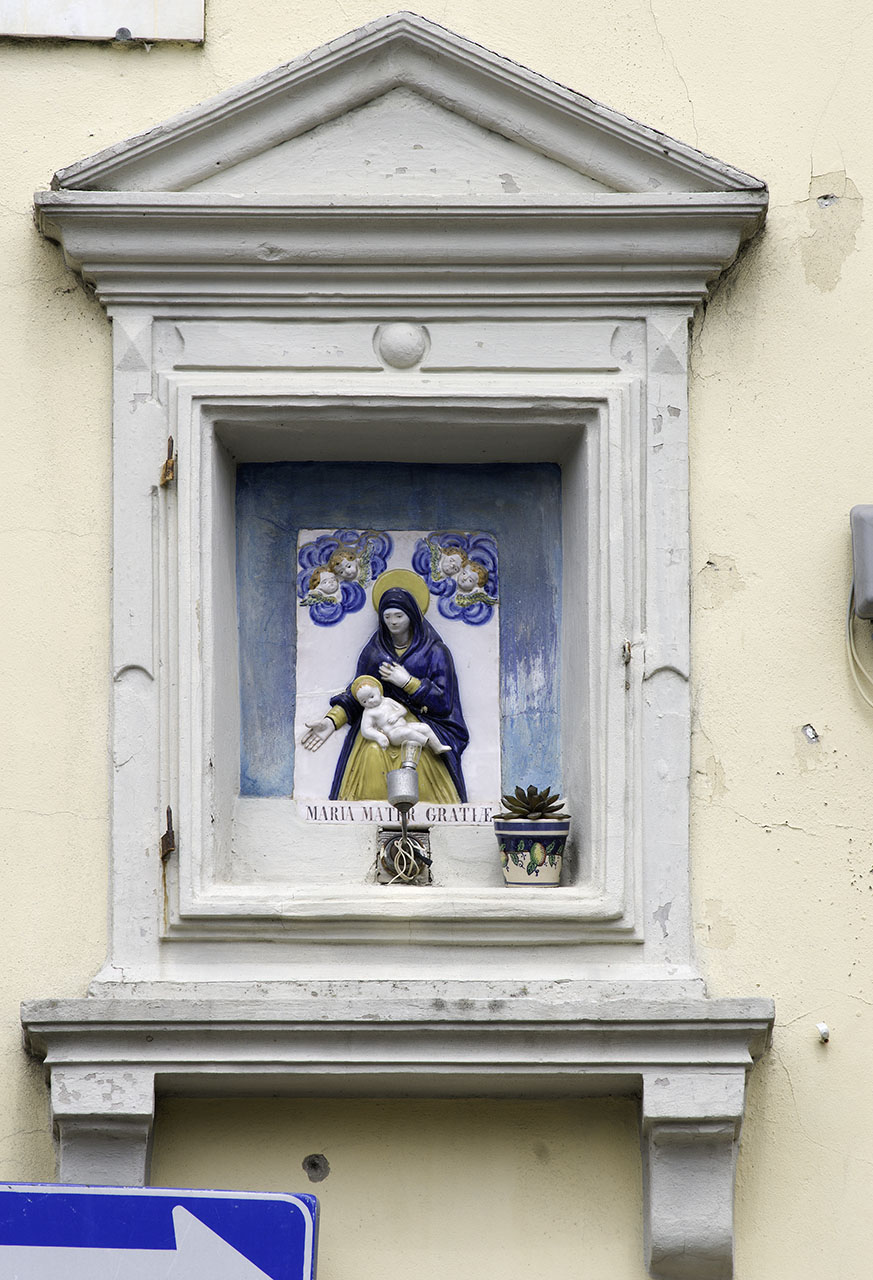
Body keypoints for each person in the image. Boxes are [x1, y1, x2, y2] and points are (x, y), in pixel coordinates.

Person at [301, 572, 468, 802]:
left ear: (412, 615)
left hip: (420, 722)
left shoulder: (436, 651)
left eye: (399, 615)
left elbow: (444, 702)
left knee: (419, 757)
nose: (393, 621)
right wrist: (332, 721)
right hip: (380, 725)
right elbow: (358, 691)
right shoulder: (375, 651)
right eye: (387, 616)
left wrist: (408, 683)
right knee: (372, 753)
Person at [352, 675, 451, 755]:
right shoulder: (369, 713)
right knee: (407, 732)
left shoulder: (387, 701)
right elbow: (366, 730)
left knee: (424, 727)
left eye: (371, 696)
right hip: (393, 734)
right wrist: (379, 737)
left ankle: (437, 747)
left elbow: (403, 710)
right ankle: (427, 743)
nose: (370, 702)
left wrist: (396, 715)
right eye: (364, 701)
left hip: (404, 725)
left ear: (378, 691)